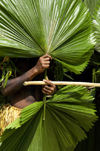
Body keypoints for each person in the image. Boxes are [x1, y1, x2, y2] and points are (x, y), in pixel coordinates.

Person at [0, 54, 56, 135]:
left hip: (42, 117)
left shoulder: (50, 57)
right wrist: (35, 70)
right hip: (16, 119)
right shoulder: (10, 56)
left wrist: (52, 90)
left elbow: (53, 84)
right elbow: (4, 89)